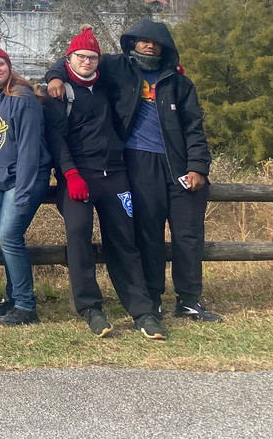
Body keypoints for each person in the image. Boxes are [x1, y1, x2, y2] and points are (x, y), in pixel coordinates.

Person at [47, 20, 219, 322]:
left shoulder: (180, 83)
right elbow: (78, 58)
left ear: (166, 47)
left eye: (155, 42)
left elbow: (194, 127)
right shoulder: (120, 68)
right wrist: (53, 77)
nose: (149, 46)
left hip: (178, 164)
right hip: (137, 162)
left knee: (188, 234)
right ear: (132, 44)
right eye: (143, 41)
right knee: (147, 232)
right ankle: (152, 298)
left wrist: (198, 166)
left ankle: (189, 300)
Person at [42, 27, 165, 340]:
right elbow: (56, 139)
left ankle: (142, 311)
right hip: (78, 178)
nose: (87, 62)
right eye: (81, 56)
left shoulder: (107, 83)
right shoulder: (61, 92)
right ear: (69, 58)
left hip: (115, 175)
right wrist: (70, 175)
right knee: (79, 236)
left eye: (92, 57)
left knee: (125, 241)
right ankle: (90, 308)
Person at [0, 45, 51, 327]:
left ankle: (26, 305)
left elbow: (31, 149)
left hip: (22, 179)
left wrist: (24, 191)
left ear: (9, 66)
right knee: (6, 241)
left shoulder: (22, 98)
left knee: (9, 237)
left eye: (0, 64)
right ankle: (12, 298)